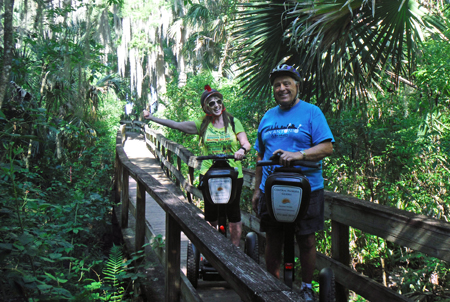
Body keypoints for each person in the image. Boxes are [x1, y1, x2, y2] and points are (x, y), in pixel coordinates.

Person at [251, 65, 334, 302]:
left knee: (306, 238)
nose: (282, 88)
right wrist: (257, 190)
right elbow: (260, 156)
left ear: (297, 86)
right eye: (277, 85)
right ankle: (271, 285)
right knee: (273, 238)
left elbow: (327, 147)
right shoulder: (268, 116)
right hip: (271, 188)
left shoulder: (311, 113)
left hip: (307, 189)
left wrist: (298, 155)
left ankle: (306, 286)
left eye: (286, 83)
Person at [142, 85, 251, 247]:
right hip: (209, 173)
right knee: (211, 213)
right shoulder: (202, 124)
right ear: (205, 107)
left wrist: (242, 150)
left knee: (233, 213)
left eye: (218, 101)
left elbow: (246, 143)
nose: (216, 105)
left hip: (233, 173)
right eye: (211, 103)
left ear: (222, 102)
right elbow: (176, 125)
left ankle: (235, 250)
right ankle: (212, 248)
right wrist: (151, 118)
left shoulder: (234, 122)